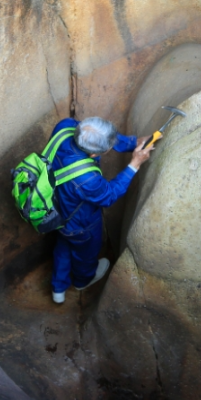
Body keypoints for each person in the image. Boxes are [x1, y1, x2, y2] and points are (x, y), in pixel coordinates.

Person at [48, 116, 153, 303]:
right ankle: (83, 280)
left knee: (63, 245)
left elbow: (97, 134)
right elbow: (109, 195)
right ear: (93, 155)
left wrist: (134, 142)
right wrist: (134, 164)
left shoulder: (64, 127)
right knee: (86, 252)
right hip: (81, 222)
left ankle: (58, 288)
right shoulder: (87, 179)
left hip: (55, 210)